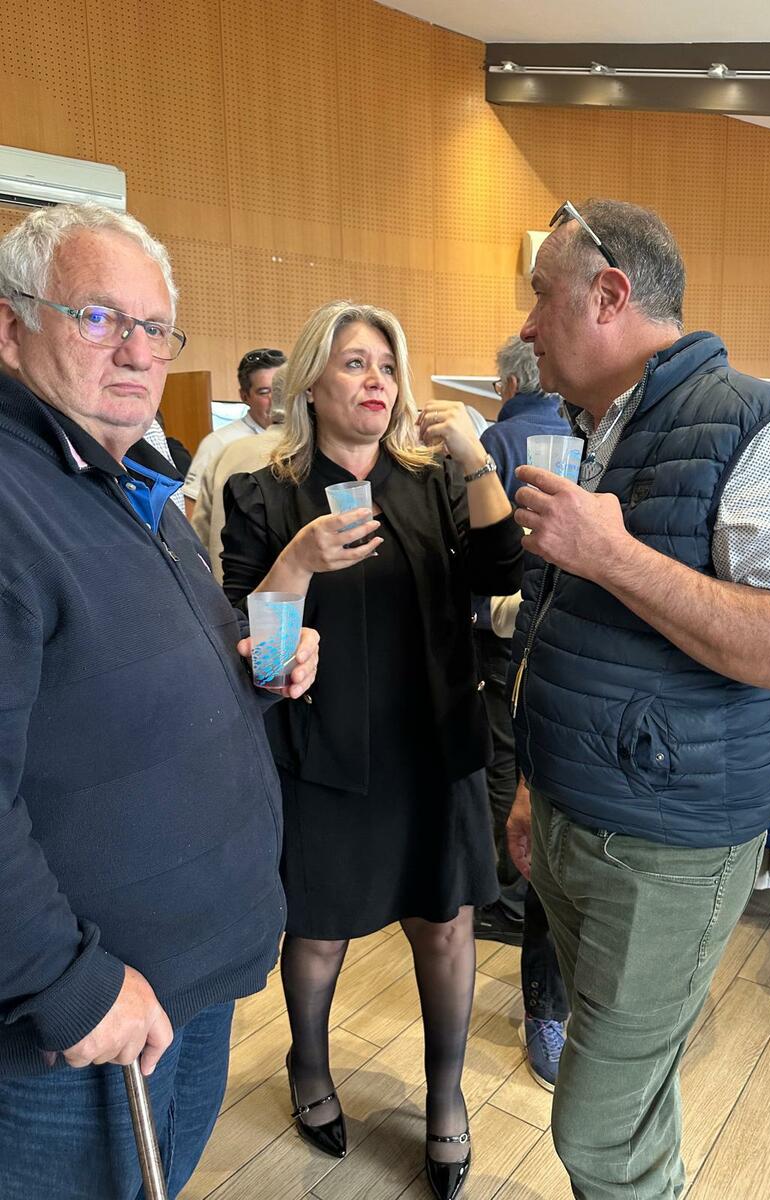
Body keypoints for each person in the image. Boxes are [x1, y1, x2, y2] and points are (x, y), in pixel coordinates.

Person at [504, 198, 770, 1199]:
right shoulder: (601, 430)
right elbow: (567, 632)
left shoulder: (757, 427)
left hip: (665, 849)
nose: (527, 325)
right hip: (578, 818)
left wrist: (614, 556)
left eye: (541, 295)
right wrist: (534, 786)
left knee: (598, 1132)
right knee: (631, 1086)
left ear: (608, 294)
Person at [0, 203, 318, 1200]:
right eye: (98, 318)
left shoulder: (125, 478)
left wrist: (248, 672)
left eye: (155, 328)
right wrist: (66, 983)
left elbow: (111, 689)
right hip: (77, 1027)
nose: (137, 352)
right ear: (10, 327)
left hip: (182, 985)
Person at [220, 300, 521, 1200]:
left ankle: (446, 1098)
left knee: (447, 925)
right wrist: (298, 561)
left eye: (388, 366)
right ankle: (309, 1067)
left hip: (433, 743)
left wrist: (476, 459)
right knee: (317, 933)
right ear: (312, 381)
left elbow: (503, 573)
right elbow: (256, 652)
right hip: (322, 746)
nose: (376, 381)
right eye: (355, 363)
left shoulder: (432, 483)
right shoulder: (263, 493)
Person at [472, 335, 571, 1091]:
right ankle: (552, 1006)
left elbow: (485, 560)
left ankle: (507, 896)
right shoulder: (577, 438)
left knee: (510, 764)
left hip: (507, 640)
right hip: (559, 650)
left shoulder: (497, 442)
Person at [199, 367, 287, 582]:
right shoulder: (309, 457)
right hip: (283, 599)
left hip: (221, 593)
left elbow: (198, 535)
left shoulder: (229, 452)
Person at [183, 346, 285, 518]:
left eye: (281, 390)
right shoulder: (218, 443)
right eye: (264, 392)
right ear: (244, 396)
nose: (275, 399)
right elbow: (192, 509)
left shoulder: (306, 439)